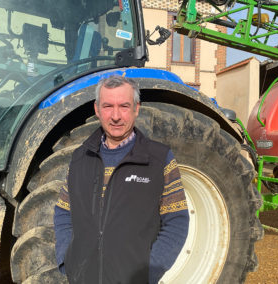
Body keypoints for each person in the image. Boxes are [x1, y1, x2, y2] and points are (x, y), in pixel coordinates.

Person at [53, 75, 189, 284]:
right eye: (108, 106)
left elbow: (177, 222)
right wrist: (66, 259)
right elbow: (64, 211)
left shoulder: (159, 159)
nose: (116, 116)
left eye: (124, 106)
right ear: (97, 109)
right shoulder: (80, 158)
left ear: (136, 108)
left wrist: (148, 272)